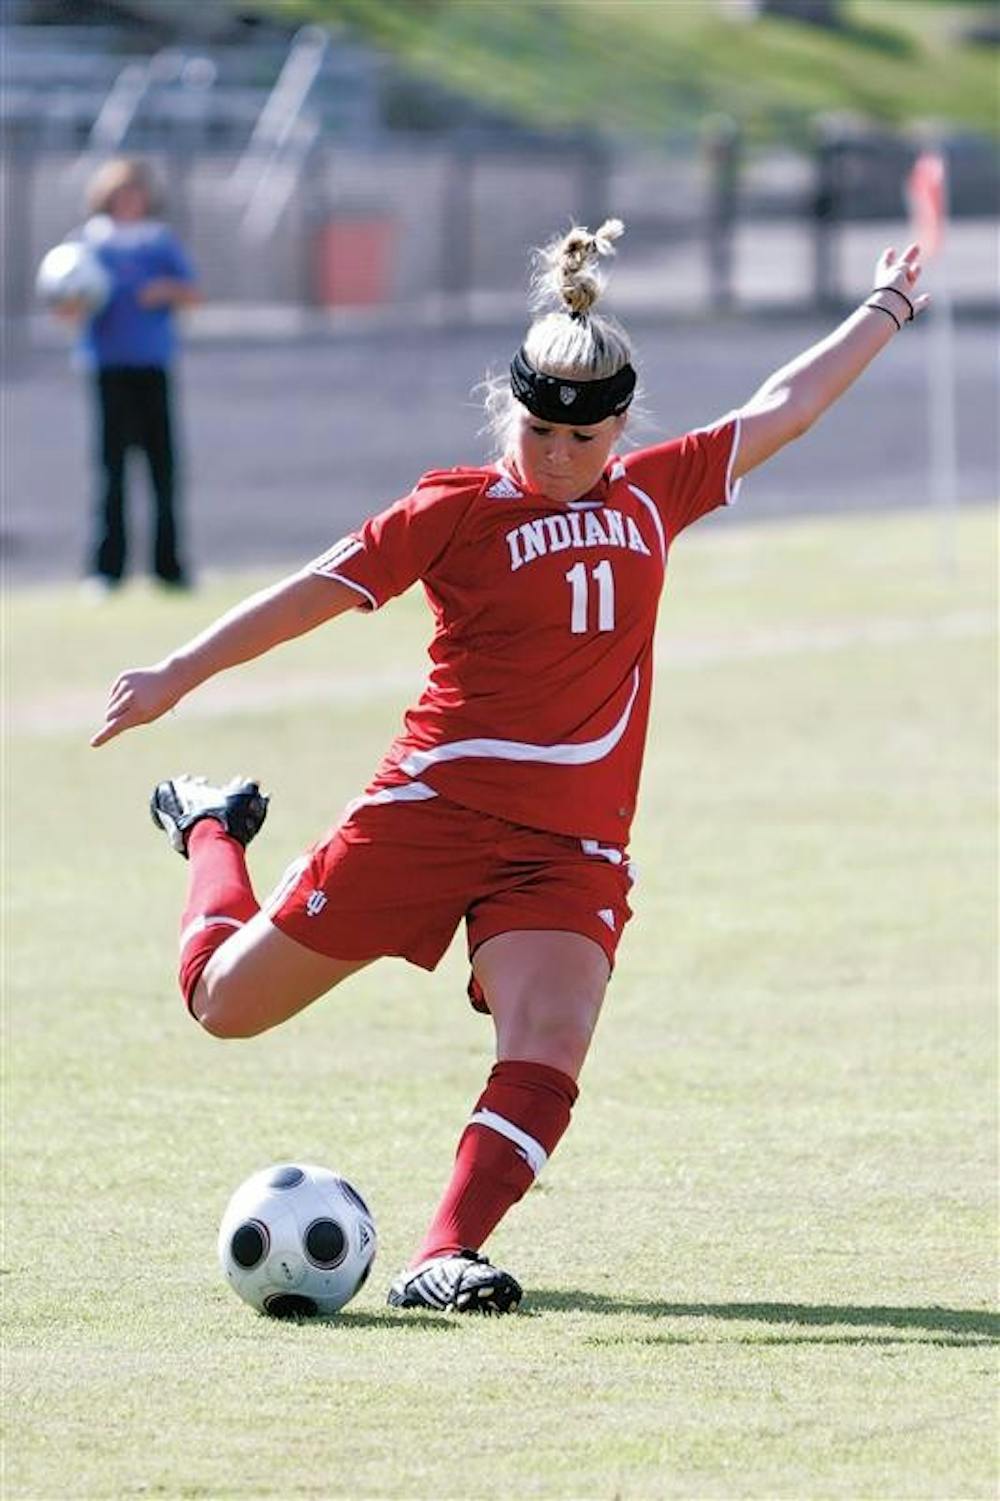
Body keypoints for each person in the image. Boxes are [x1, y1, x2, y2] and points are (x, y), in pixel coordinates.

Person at [91, 220, 927, 1314]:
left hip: (568, 846)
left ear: (621, 427)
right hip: (428, 811)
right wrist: (178, 672)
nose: (561, 458)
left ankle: (444, 1254)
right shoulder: (456, 510)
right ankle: (209, 828)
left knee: (551, 1041)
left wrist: (886, 307)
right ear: (511, 414)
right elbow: (310, 588)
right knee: (223, 1005)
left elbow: (785, 406)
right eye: (539, 433)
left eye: (585, 440)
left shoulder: (653, 492)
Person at [64, 157, 200, 592]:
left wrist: (164, 290)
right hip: (107, 366)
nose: (128, 202)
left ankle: (169, 567)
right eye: (120, 194)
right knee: (111, 470)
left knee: (163, 468)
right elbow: (66, 304)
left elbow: (192, 292)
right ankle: (107, 569)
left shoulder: (159, 244)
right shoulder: (89, 246)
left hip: (152, 364)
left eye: (135, 193)